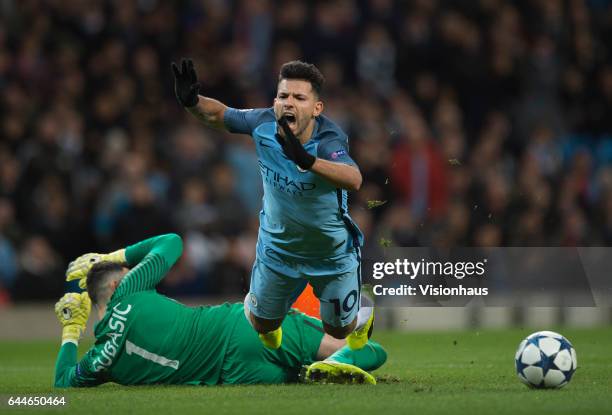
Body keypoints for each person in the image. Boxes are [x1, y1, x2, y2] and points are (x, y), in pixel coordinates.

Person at [171, 58, 371, 350]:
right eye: (283, 96)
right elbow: (219, 115)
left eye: (299, 97)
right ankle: (273, 327)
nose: (289, 103)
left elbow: (354, 178)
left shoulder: (329, 140)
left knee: (339, 331)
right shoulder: (263, 123)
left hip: (330, 253)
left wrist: (308, 161)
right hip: (278, 249)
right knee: (261, 324)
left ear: (317, 108)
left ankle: (364, 308)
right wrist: (191, 101)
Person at [55, 234, 387, 387]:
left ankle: (315, 370)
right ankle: (335, 358)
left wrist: (71, 331)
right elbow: (171, 243)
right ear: (114, 286)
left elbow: (62, 383)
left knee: (298, 374)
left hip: (235, 377)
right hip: (240, 329)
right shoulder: (127, 290)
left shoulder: (101, 360)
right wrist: (116, 257)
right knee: (372, 351)